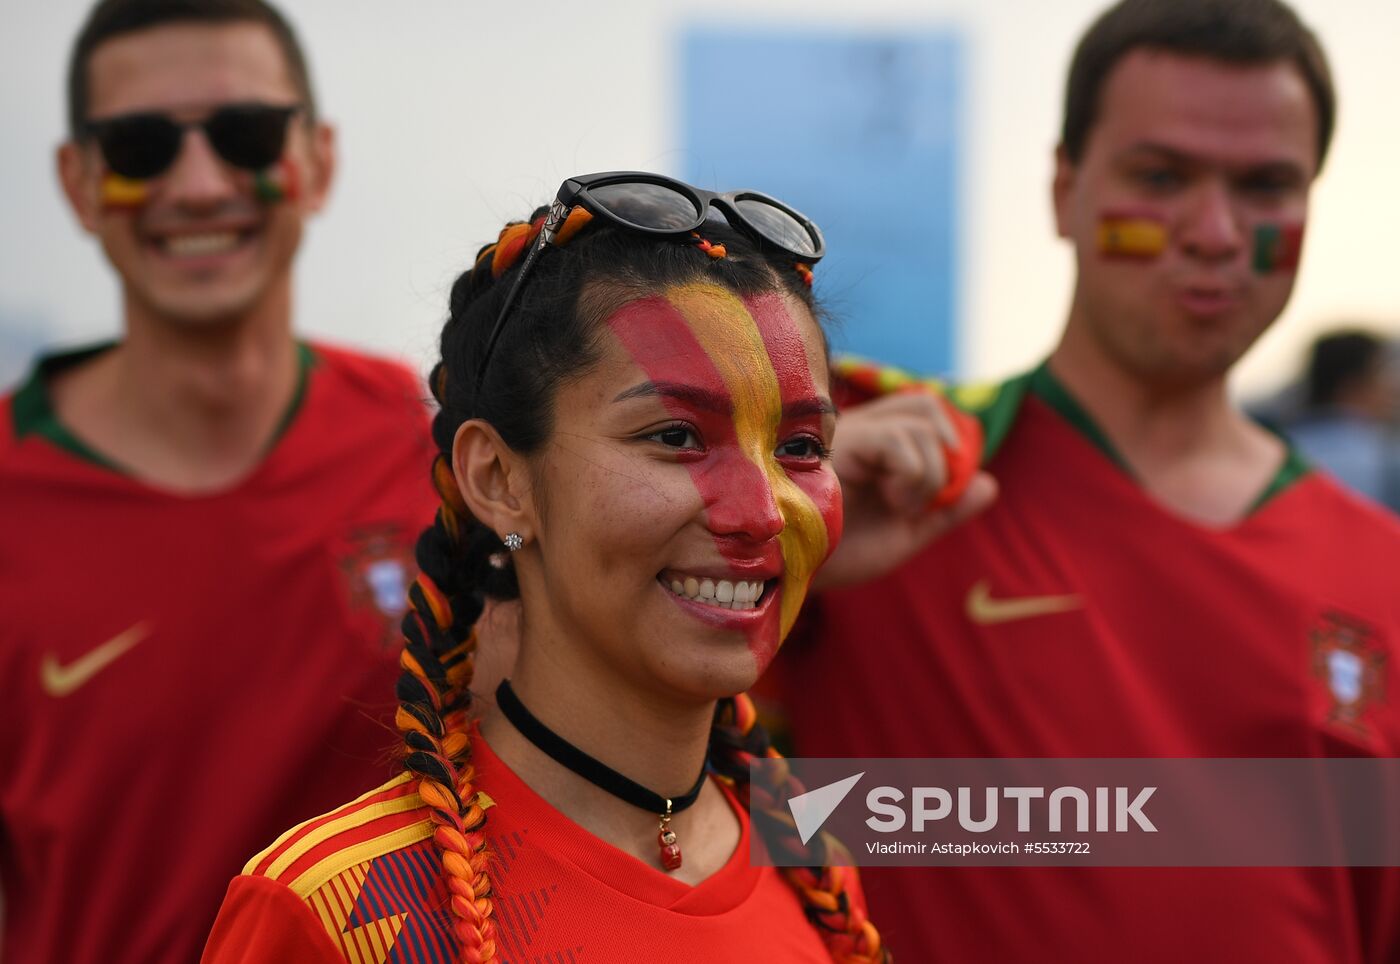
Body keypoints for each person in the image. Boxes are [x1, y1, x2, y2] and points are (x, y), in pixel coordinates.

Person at [773, 0, 1400, 961]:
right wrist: (778, 547)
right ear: (1063, 192)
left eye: (1266, 185)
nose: (1216, 232)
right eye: (1161, 176)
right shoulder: (880, 478)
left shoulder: (1379, 569)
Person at [200, 172, 889, 963]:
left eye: (801, 448)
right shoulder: (341, 909)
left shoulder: (809, 862)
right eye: (674, 437)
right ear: (498, 480)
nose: (762, 512)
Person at [0, 2, 436, 961]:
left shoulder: (440, 453)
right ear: (77, 182)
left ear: (316, 160)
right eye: (140, 146)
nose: (198, 187)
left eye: (246, 134)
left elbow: (663, 785)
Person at [1284, 329, 1400, 508]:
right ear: (1352, 384)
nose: (1393, 387)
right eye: (1383, 373)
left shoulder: (1278, 447)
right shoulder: (1384, 459)